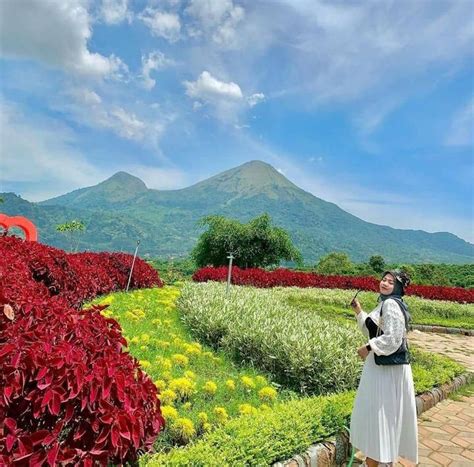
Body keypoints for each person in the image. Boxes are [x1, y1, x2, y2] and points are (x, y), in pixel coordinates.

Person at [349, 270, 418, 466]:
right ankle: (377, 461)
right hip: (380, 368)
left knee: (382, 416)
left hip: (386, 370)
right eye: (384, 279)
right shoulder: (384, 303)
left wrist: (369, 347)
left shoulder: (390, 304)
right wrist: (359, 311)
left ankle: (376, 461)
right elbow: (372, 330)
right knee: (380, 416)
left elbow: (393, 338)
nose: (385, 283)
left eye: (390, 281)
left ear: (398, 287)